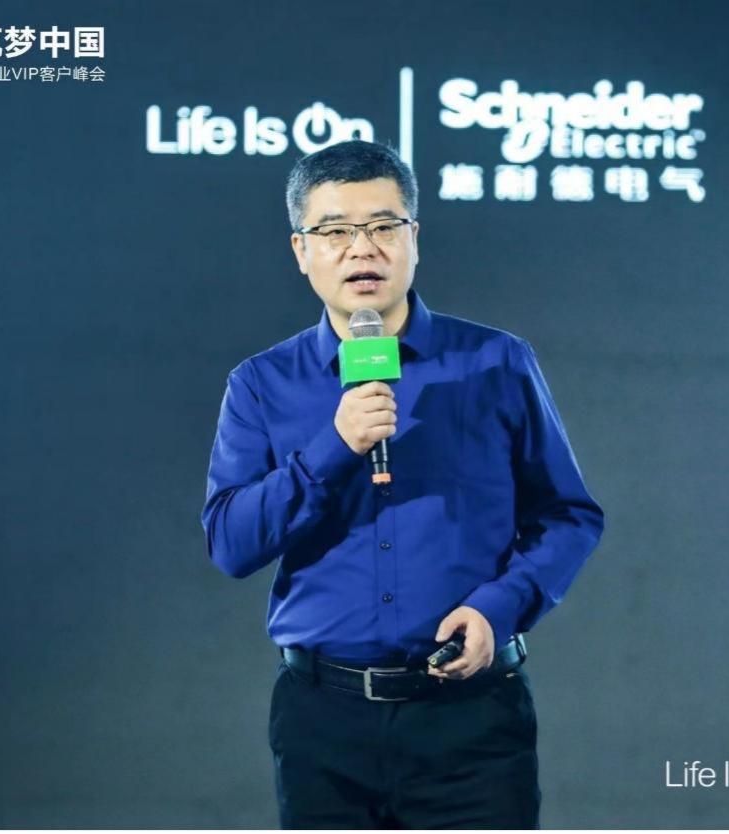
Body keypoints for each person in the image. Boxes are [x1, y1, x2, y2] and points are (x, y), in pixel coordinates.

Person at [200, 139, 603, 829]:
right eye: (335, 231)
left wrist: (499, 608)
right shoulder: (262, 383)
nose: (362, 248)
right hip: (323, 723)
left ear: (414, 237)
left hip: (471, 721)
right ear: (301, 250)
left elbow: (568, 516)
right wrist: (334, 448)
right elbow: (231, 544)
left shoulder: (495, 361)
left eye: (383, 226)